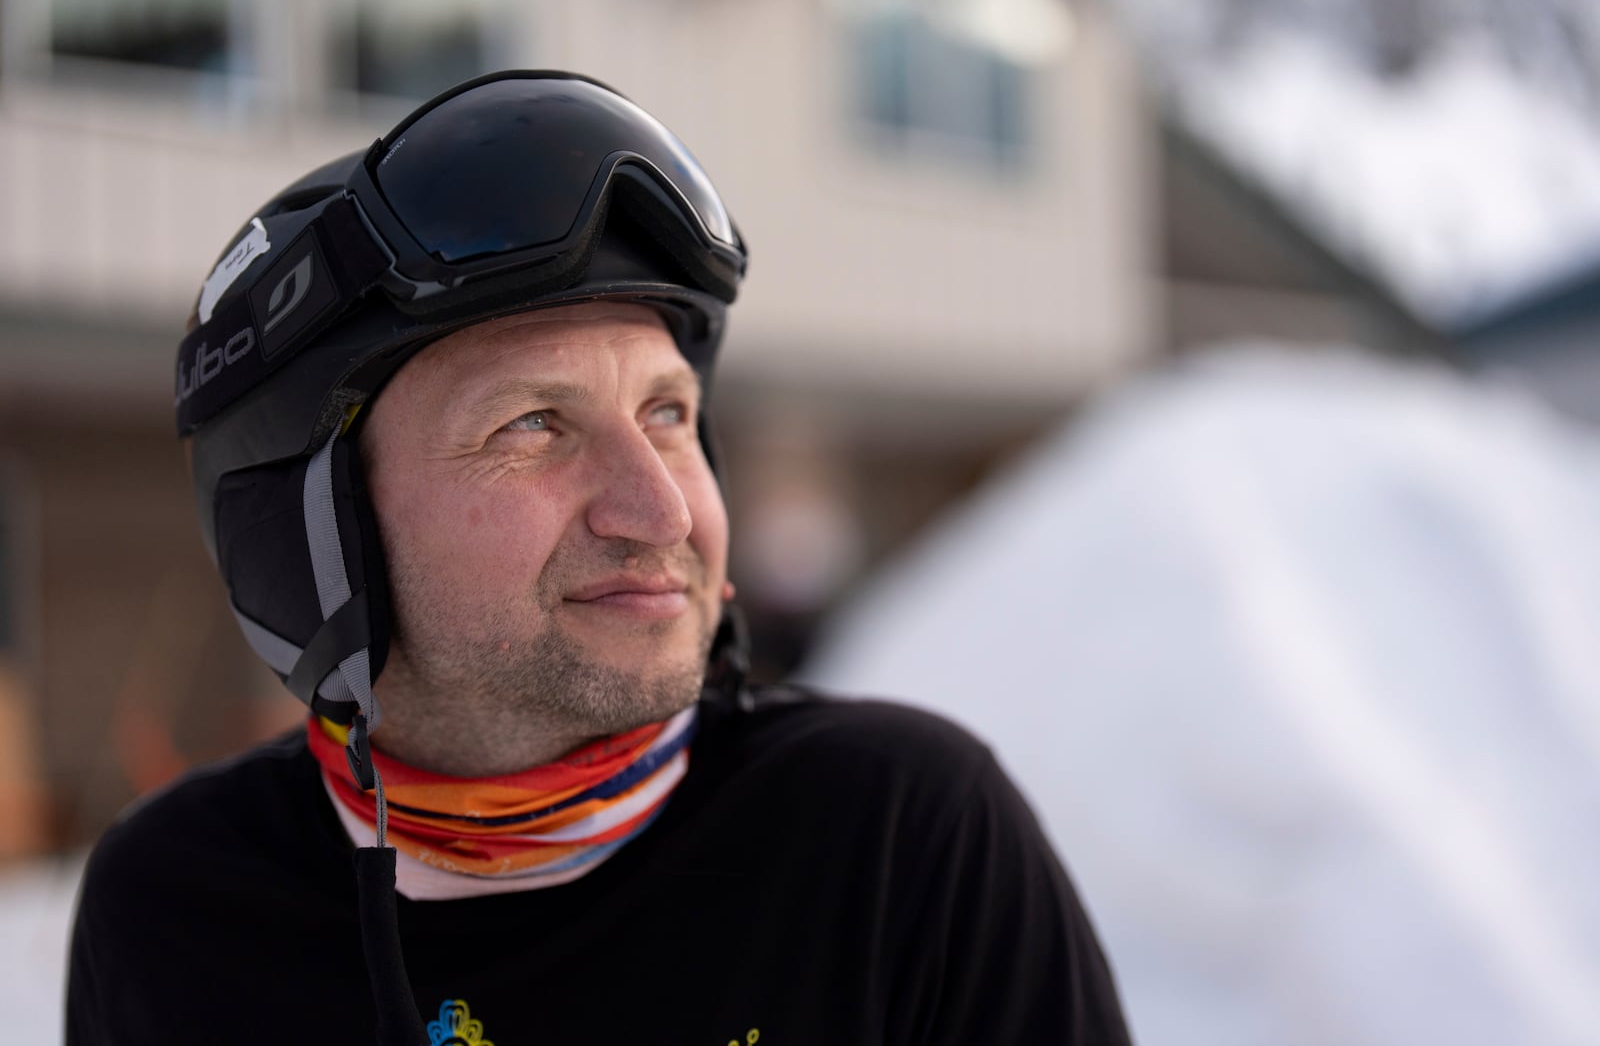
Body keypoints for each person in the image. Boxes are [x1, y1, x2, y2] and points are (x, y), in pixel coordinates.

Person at [65, 71, 1130, 1046]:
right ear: (307, 541)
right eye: (532, 423)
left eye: (667, 412)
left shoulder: (896, 838)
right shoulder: (170, 903)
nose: (660, 507)